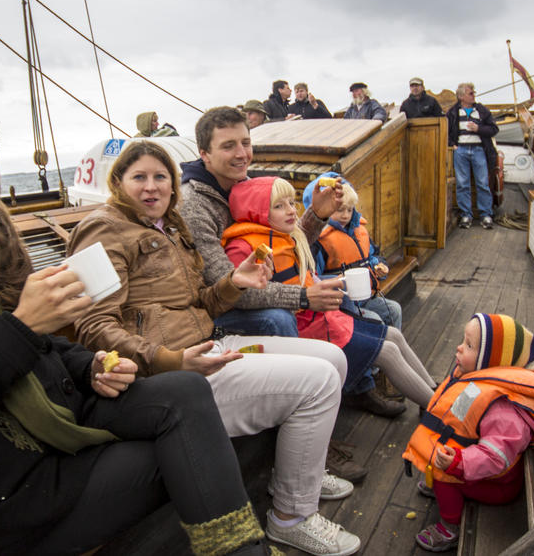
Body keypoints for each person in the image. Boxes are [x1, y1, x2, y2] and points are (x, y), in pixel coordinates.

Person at [0, 101, 277, 556]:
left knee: (185, 393)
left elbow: (45, 344)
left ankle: (238, 547)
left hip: (51, 411)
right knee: (181, 455)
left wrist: (92, 366)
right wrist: (23, 326)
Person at [69, 141, 362, 556]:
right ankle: (292, 516)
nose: (151, 187)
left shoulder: (169, 228)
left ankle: (303, 474)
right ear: (118, 183)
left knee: (333, 357)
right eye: (139, 177)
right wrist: (172, 361)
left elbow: (200, 303)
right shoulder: (101, 230)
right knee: (317, 383)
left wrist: (233, 284)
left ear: (173, 185)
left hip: (206, 344)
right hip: (169, 375)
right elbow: (93, 325)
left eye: (160, 177)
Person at [179, 105, 371, 483]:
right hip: (212, 310)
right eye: (228, 146)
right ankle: (295, 416)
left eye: (246, 143)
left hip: (248, 291)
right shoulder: (196, 205)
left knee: (343, 295)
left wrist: (315, 215)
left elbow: (280, 247)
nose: (241, 154)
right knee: (276, 318)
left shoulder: (241, 182)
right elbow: (233, 287)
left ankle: (356, 384)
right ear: (205, 154)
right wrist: (302, 298)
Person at [220, 176, 437, 416]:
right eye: (279, 206)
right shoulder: (243, 248)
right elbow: (243, 294)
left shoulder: (287, 235)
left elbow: (305, 240)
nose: (292, 211)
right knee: (387, 352)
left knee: (393, 335)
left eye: (292, 203)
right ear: (255, 211)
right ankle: (440, 412)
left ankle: (435, 392)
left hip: (325, 319)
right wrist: (304, 296)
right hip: (304, 329)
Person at [403, 313, 534, 552]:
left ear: (491, 361)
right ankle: (446, 482)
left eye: (469, 345)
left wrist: (459, 463)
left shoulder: (504, 410)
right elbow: (461, 419)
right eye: (463, 341)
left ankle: (448, 528)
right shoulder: (477, 384)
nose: (459, 347)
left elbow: (496, 456)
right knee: (441, 462)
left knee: (446, 476)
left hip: (497, 485)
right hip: (484, 473)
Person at [303, 175, 402, 330]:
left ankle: (392, 343)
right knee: (374, 320)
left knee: (394, 310)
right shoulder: (319, 241)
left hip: (366, 297)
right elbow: (312, 277)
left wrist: (379, 266)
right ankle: (377, 351)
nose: (345, 215)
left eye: (350, 210)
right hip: (342, 305)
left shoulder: (359, 231)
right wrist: (340, 281)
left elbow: (373, 255)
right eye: (340, 210)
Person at [446, 82, 498, 229]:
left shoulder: (482, 111)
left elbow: (494, 129)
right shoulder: (452, 112)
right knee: (462, 184)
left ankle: (486, 215)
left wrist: (478, 129)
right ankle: (466, 215)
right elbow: (446, 132)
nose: (474, 95)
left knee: (482, 183)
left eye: (474, 93)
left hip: (478, 150)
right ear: (461, 96)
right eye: (471, 93)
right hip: (460, 151)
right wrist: (453, 145)